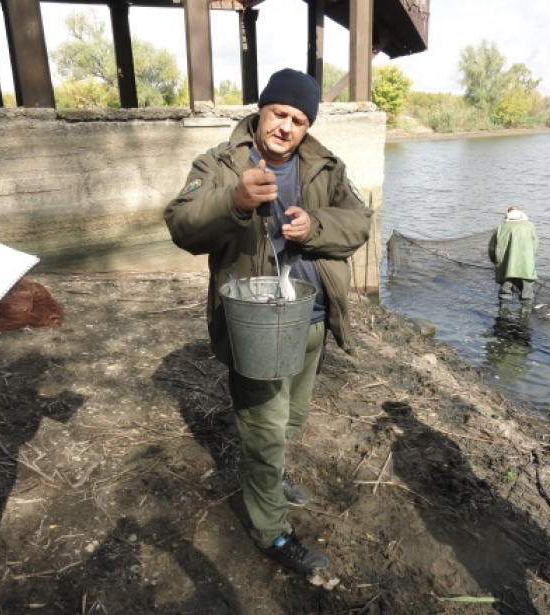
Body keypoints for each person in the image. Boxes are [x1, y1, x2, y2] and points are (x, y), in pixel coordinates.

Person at [164, 68, 372, 573]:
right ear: (262, 111)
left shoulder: (325, 166)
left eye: (299, 119)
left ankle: (273, 474)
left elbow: (360, 223)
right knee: (263, 433)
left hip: (314, 315)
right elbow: (181, 224)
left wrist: (315, 226)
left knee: (291, 419)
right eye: (280, 113)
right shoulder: (218, 164)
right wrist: (233, 201)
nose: (286, 127)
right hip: (254, 323)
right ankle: (271, 533)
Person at [487, 205, 539, 306]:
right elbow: (535, 246)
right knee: (527, 297)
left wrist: (497, 263)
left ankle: (503, 317)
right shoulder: (529, 226)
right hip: (526, 268)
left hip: (506, 269)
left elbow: (491, 249)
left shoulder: (500, 227)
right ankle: (524, 318)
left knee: (505, 295)